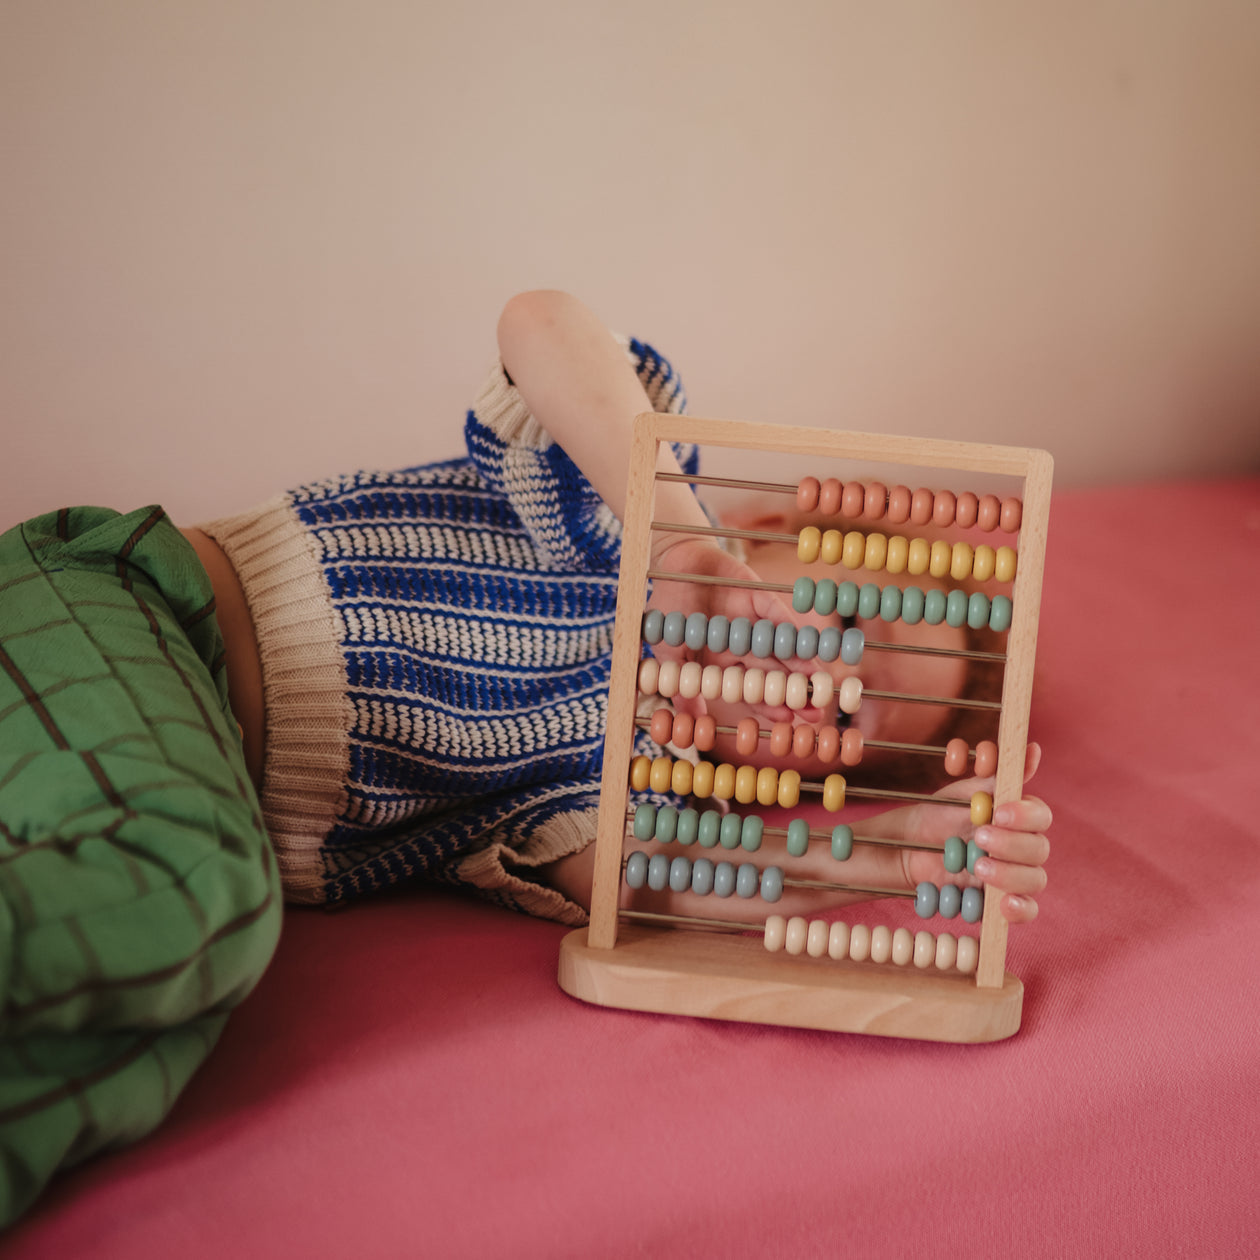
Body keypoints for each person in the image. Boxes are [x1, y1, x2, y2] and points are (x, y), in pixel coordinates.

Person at [0, 289, 1049, 1225]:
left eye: (855, 733)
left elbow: (646, 891)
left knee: (146, 1036)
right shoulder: (612, 509)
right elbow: (541, 325)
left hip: (110, 780)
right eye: (853, 632)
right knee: (198, 897)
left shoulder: (632, 782)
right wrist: (678, 536)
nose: (830, 693)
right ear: (775, 524)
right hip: (124, 613)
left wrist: (895, 857)